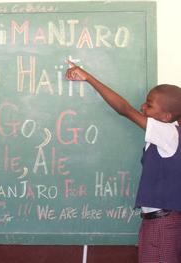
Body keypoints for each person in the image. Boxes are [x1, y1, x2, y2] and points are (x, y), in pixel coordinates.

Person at [65, 61, 181, 262]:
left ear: (166, 116)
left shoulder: (168, 133)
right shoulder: (168, 134)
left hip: (163, 223)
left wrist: (88, 77)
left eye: (149, 105)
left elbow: (124, 109)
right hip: (157, 221)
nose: (142, 107)